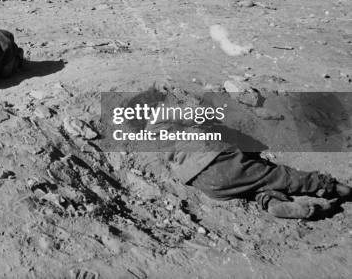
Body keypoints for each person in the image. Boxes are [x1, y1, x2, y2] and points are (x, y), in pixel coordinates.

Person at [126, 89, 352, 219]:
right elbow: (196, 115)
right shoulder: (162, 113)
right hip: (216, 159)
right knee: (275, 174)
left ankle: (270, 202)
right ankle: (330, 186)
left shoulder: (152, 139)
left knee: (253, 185)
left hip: (205, 185)